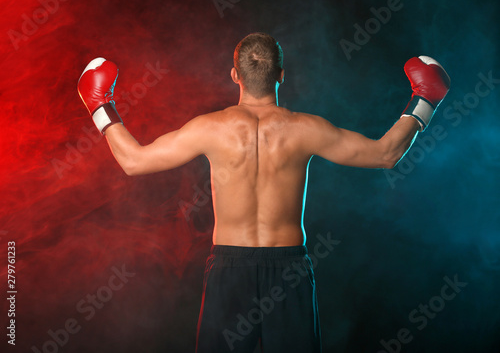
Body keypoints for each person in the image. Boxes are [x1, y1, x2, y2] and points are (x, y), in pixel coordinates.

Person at [77, 32, 450, 353]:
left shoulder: (209, 128)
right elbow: (385, 154)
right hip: (288, 270)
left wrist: (99, 104)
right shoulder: (306, 128)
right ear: (281, 76)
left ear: (235, 74)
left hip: (229, 269)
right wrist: (425, 100)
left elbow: (134, 161)